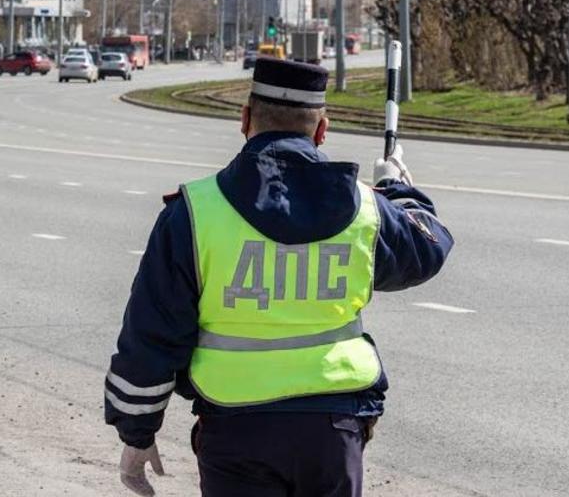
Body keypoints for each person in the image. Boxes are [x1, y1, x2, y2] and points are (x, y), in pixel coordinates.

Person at [104, 57, 454, 497]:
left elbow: (151, 335)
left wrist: (137, 436)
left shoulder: (193, 213)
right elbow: (427, 248)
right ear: (322, 130)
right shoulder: (366, 209)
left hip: (235, 430)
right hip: (334, 429)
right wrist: (397, 187)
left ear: (245, 119)